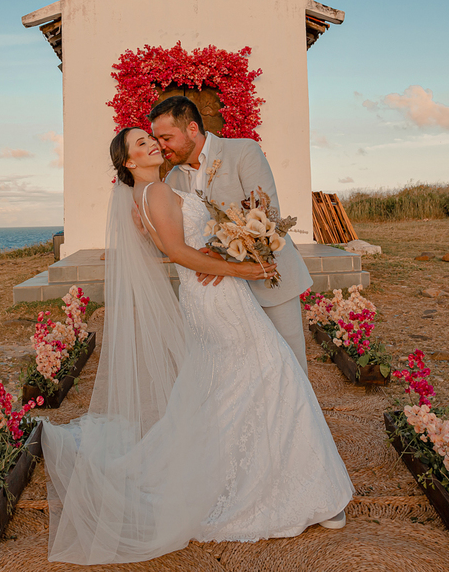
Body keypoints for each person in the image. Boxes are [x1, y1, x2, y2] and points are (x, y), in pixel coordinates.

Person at [40, 127, 353, 565]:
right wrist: (243, 270)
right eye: (141, 144)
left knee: (234, 384)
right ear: (128, 162)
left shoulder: (147, 196)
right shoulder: (157, 192)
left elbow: (176, 245)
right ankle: (306, 494)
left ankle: (273, 477)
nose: (152, 144)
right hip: (218, 297)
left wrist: (228, 250)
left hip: (208, 295)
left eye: (152, 139)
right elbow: (178, 252)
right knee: (274, 371)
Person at [151, 96, 313, 371]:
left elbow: (266, 214)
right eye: (157, 139)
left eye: (166, 138)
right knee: (242, 370)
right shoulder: (172, 180)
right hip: (221, 294)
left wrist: (219, 253)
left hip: (266, 273)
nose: (161, 146)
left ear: (192, 129)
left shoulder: (243, 151)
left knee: (289, 363)